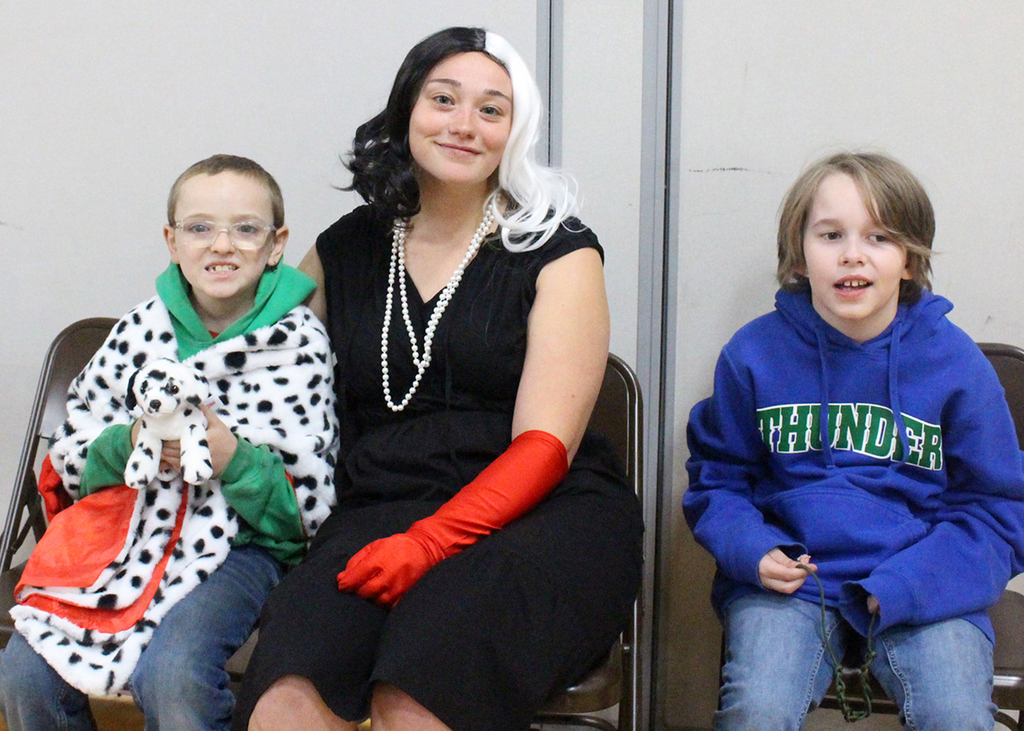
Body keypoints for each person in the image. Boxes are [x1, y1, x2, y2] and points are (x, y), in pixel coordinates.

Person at [234, 26, 644, 731]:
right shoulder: (346, 247)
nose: (463, 124)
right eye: (443, 99)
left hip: (539, 517)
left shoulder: (558, 249)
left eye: (491, 109)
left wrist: (430, 541)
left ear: (516, 130)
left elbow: (545, 447)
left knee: (419, 693)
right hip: (379, 506)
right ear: (406, 112)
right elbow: (245, 363)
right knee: (284, 704)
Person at [683, 151, 1024, 730]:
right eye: (831, 234)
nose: (852, 254)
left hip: (922, 585)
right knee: (756, 710)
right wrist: (752, 548)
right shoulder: (752, 355)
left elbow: (997, 510)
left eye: (879, 237)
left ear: (910, 261)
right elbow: (719, 481)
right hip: (792, 586)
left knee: (956, 715)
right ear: (799, 252)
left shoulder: (957, 364)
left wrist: (914, 582)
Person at [0, 154, 339, 731]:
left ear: (276, 244)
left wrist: (233, 459)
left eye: (246, 229)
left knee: (175, 673)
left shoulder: (298, 344)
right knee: (21, 674)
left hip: (239, 547)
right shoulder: (139, 332)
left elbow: (304, 511)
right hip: (124, 534)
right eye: (200, 227)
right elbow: (69, 462)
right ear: (172, 240)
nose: (222, 245)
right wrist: (129, 441)